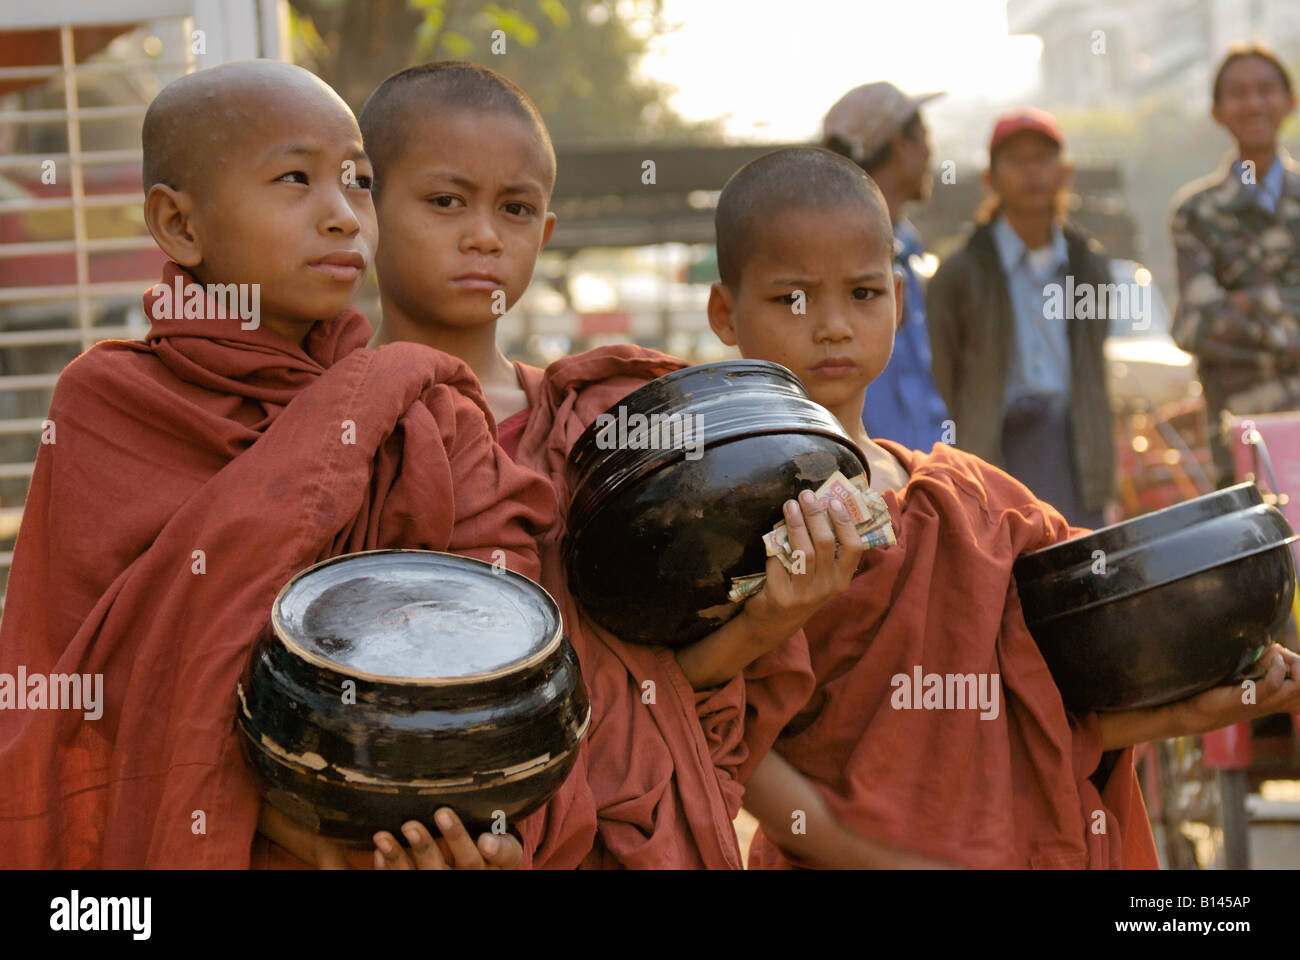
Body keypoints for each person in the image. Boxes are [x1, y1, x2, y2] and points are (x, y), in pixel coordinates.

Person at [0, 60, 560, 869]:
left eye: (358, 182)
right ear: (179, 225)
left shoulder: (416, 407)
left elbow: (495, 639)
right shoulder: (113, 402)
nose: (342, 217)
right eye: (296, 179)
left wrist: (475, 827)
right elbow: (89, 682)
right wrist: (300, 829)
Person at [704, 146, 1300, 869]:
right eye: (793, 298)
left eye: (863, 295)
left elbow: (1038, 720)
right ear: (724, 311)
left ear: (897, 297)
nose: (833, 324)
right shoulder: (716, 525)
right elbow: (728, 742)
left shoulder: (975, 504)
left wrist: (1196, 708)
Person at [358, 61, 859, 867]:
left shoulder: (600, 428)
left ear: (545, 234)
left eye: (515, 209)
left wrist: (771, 617)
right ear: (366, 210)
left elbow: (657, 689)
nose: (485, 233)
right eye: (446, 201)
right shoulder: (333, 427)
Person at [927, 108, 1115, 529]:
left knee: (1081, 570)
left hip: (1075, 449)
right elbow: (941, 376)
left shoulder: (1089, 265)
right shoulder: (958, 274)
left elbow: (1093, 367)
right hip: (995, 451)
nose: (1032, 172)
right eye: (1017, 160)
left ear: (1065, 172)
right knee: (1010, 582)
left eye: (1042, 159)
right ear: (990, 179)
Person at [1170, 44, 1300, 487]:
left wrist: (1248, 303)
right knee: (1258, 555)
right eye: (1239, 92)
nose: (1254, 102)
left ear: (1290, 101)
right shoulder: (1196, 214)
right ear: (1217, 111)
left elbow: (1216, 320)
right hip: (1242, 444)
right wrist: (1288, 320)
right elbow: (1194, 326)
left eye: (1266, 89)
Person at [822, 82, 950, 452]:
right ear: (899, 144)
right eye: (923, 136)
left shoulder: (905, 247)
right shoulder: (835, 255)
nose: (930, 150)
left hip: (918, 474)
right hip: (868, 483)